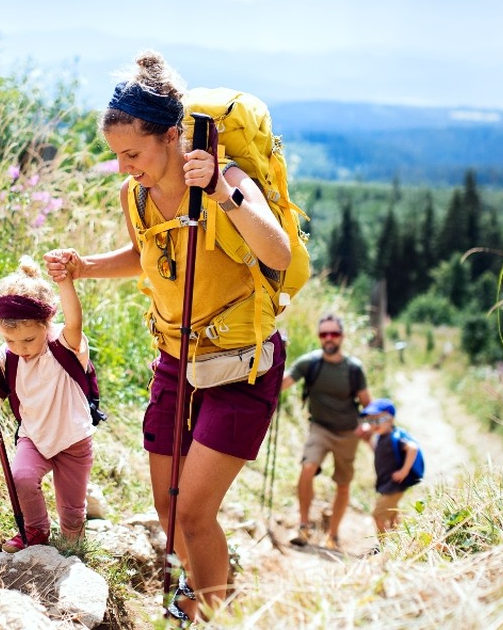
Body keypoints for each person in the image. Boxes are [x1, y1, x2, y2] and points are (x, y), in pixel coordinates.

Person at [44, 50, 291, 624]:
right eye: (117, 156)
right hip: (176, 360)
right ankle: (208, 589)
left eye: (133, 153)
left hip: (240, 366)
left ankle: (211, 614)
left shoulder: (226, 179)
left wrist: (225, 196)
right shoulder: (136, 194)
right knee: (169, 509)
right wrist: (84, 267)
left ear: (173, 136)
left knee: (196, 514)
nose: (125, 166)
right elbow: (145, 255)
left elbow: (276, 250)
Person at [0, 256, 94, 552]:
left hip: (73, 439)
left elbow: (75, 320)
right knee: (21, 476)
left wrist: (64, 281)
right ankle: (36, 531)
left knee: (72, 510)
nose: (21, 349)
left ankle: (73, 545)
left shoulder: (63, 344)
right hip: (34, 435)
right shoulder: (10, 356)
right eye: (10, 341)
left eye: (29, 340)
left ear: (47, 323)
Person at [279, 314, 372, 550]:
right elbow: (283, 382)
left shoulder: (353, 369)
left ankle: (333, 535)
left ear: (342, 336)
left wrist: (371, 428)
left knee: (343, 484)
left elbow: (367, 404)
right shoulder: (309, 363)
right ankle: (303, 526)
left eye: (334, 334)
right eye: (324, 334)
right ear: (319, 337)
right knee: (307, 467)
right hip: (319, 428)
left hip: (348, 433)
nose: (329, 338)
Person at [357, 398, 423, 534]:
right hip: (387, 483)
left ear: (391, 419)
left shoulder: (395, 437)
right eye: (371, 421)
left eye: (378, 420)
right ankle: (398, 540)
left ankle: (384, 545)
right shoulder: (381, 438)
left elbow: (412, 448)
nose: (374, 425)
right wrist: (368, 441)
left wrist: (404, 471)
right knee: (393, 514)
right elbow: (379, 454)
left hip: (395, 484)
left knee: (378, 515)